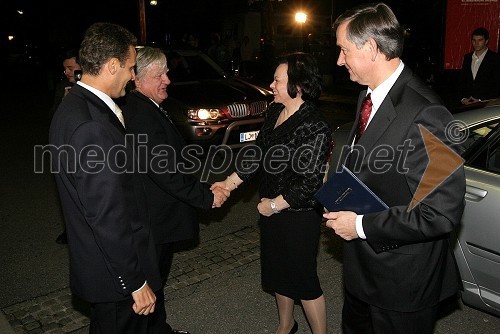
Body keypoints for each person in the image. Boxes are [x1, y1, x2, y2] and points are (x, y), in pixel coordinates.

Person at [324, 3, 466, 333]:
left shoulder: (428, 113)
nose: (339, 61)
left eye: (343, 50)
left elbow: (439, 214)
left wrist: (358, 226)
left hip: (402, 286)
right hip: (361, 274)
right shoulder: (368, 97)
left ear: (371, 48)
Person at [49, 22, 162, 333]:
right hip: (114, 275)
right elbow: (105, 214)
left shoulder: (75, 105)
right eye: (130, 67)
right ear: (113, 65)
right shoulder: (90, 125)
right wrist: (135, 282)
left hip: (103, 267)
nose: (133, 76)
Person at [212, 52, 332, 334]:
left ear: (298, 85)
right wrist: (228, 184)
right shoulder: (275, 111)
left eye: (278, 80)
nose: (272, 85)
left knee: (304, 280)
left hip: (298, 214)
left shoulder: (315, 125)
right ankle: (286, 325)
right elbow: (257, 155)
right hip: (269, 207)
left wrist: (276, 206)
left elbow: (311, 181)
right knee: (278, 272)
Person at [119, 46, 230, 334]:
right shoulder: (141, 115)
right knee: (147, 287)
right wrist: (206, 195)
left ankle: (158, 330)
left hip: (156, 217)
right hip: (154, 220)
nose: (167, 79)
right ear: (137, 80)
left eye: (167, 72)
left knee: (155, 282)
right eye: (159, 75)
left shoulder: (148, 106)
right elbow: (164, 173)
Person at [459, 27, 500, 105]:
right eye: (474, 40)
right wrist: (463, 99)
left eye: (480, 40)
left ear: (486, 41)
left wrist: (481, 100)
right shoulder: (467, 57)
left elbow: (497, 84)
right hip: (468, 103)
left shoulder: (495, 58)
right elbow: (463, 81)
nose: (476, 43)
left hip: (487, 104)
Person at [49, 48, 82, 120]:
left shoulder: (93, 85)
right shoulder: (63, 86)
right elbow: (53, 115)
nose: (66, 72)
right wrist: (64, 101)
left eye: (70, 69)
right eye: (65, 69)